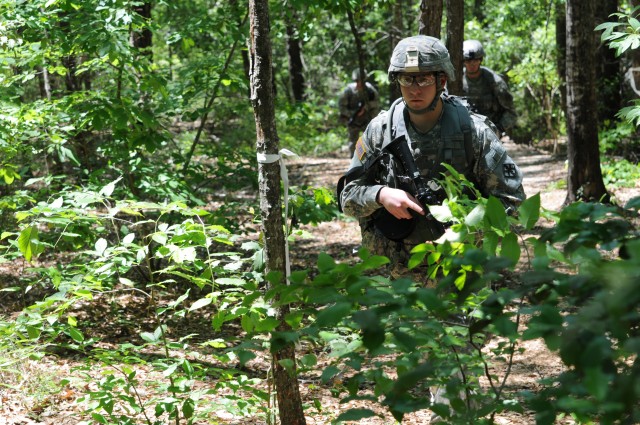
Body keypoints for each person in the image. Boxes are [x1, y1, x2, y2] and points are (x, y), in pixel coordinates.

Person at [337, 35, 525, 422]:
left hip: (458, 269)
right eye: (406, 80)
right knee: (415, 363)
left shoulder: (473, 131)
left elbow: (511, 202)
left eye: (424, 79)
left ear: (443, 81)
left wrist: (466, 226)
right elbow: (347, 194)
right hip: (398, 271)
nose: (414, 88)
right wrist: (381, 193)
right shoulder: (379, 131)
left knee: (455, 365)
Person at [462, 39, 517, 136]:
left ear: (481, 60)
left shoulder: (495, 82)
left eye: (476, 60)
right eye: (468, 60)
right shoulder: (456, 80)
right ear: (463, 61)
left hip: (490, 133)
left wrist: (498, 129)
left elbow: (512, 113)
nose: (472, 63)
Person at [338, 68, 381, 157]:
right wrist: (352, 114)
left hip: (367, 120)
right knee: (353, 143)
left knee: (371, 142)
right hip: (353, 120)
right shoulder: (349, 90)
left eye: (361, 80)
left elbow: (376, 104)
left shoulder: (370, 90)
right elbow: (342, 106)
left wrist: (366, 107)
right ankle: (354, 161)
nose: (359, 83)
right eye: (357, 81)